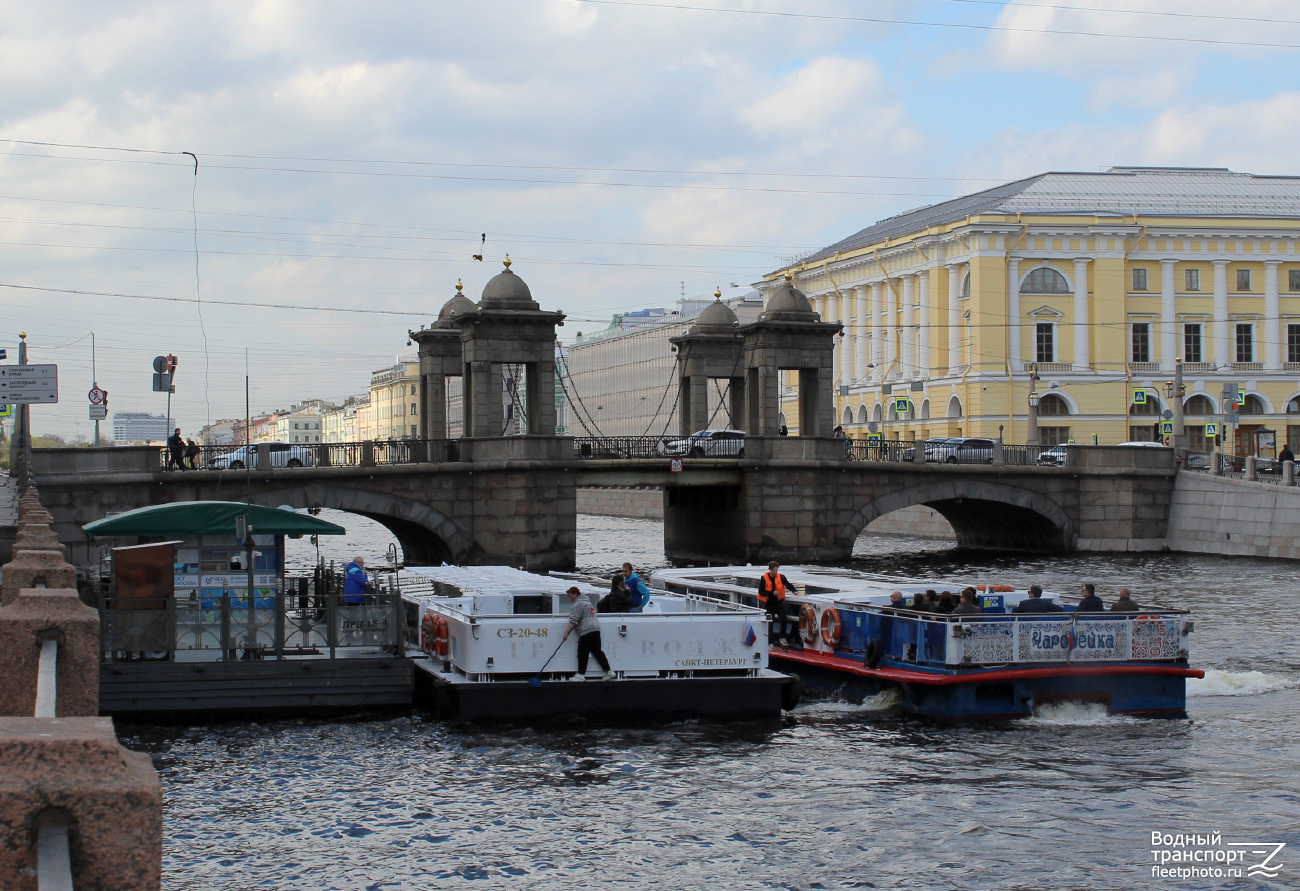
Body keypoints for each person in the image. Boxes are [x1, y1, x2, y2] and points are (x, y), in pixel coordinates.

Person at [562, 586, 614, 681]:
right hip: (596, 629)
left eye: (570, 596)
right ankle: (609, 671)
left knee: (582, 653)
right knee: (598, 652)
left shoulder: (578, 605)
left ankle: (581, 674)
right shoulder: (588, 603)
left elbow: (573, 621)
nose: (570, 599)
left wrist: (566, 633)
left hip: (586, 631)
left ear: (575, 594)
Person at [758, 560, 795, 645]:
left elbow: (788, 585)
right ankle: (770, 642)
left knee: (783, 619)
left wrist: (794, 591)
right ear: (770, 570)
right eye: (774, 570)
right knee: (770, 622)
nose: (775, 572)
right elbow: (761, 592)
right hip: (769, 603)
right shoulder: (764, 578)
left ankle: (782, 637)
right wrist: (772, 593)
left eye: (776, 570)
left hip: (778, 602)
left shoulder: (781, 577)